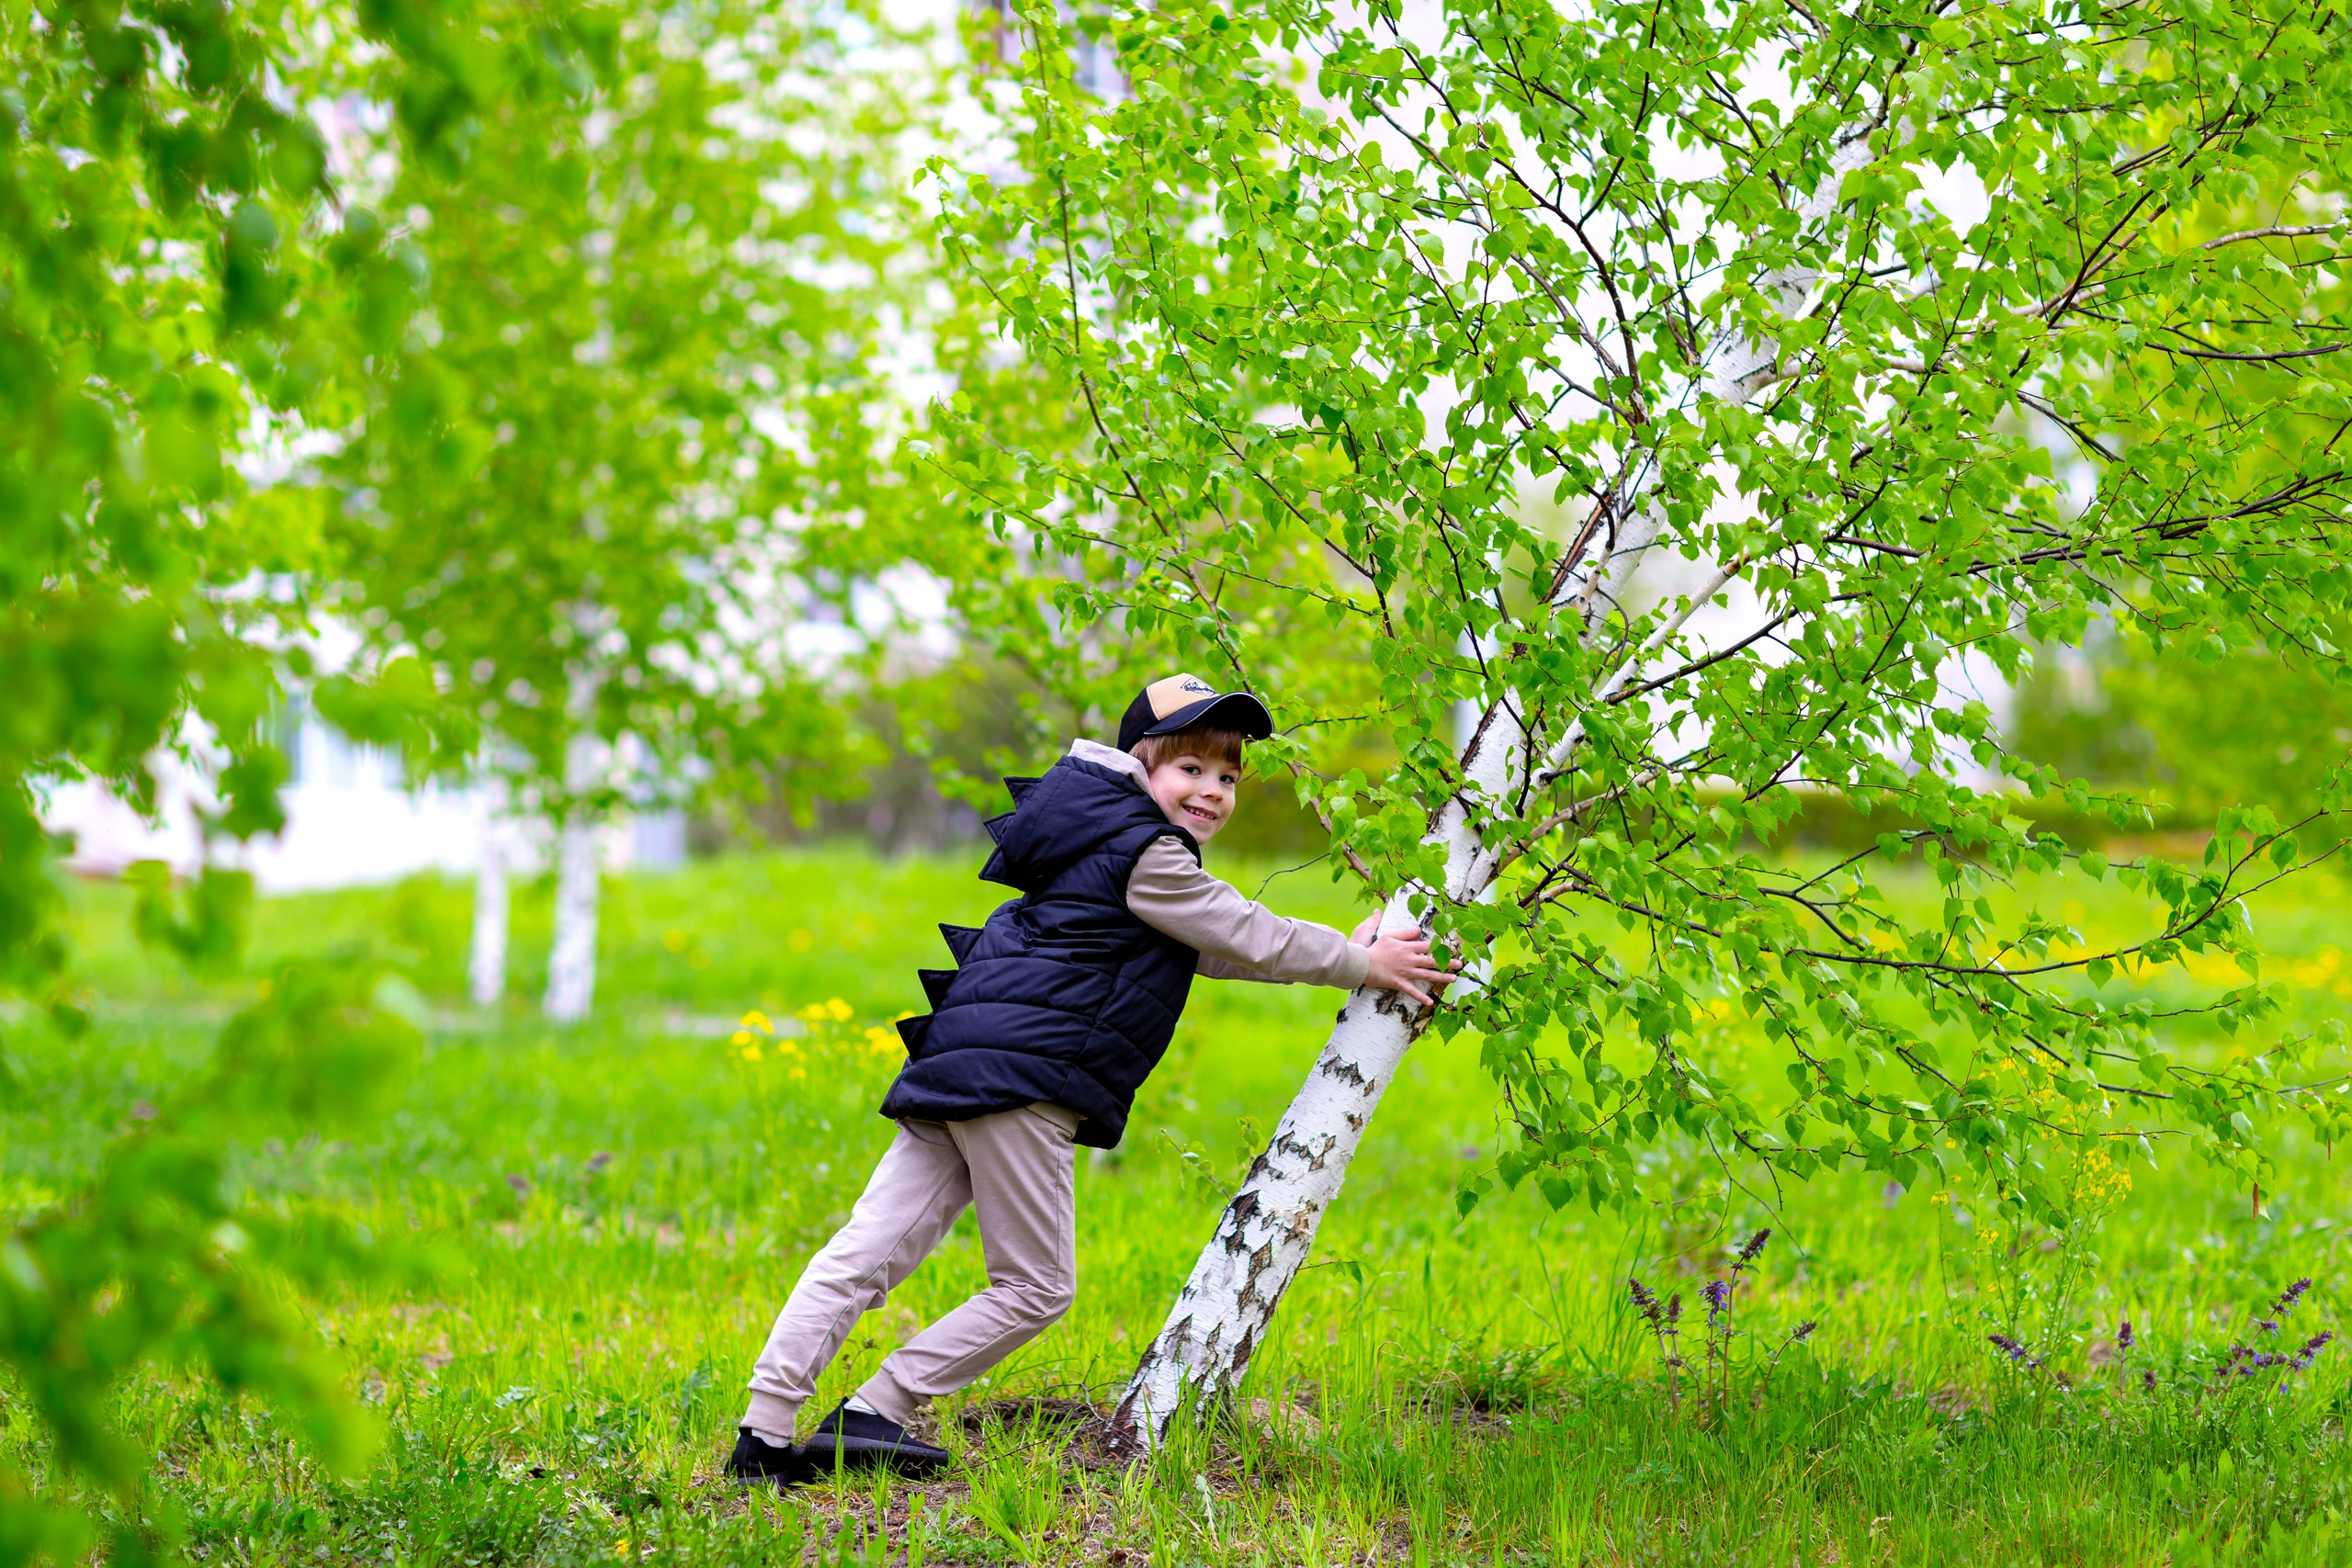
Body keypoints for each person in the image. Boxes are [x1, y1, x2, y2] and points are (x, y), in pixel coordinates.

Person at [723, 673, 1455, 1485]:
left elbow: (1210, 944)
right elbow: (1241, 928)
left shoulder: (1099, 833)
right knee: (1037, 1285)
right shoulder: (1147, 848)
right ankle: (878, 1408)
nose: (1211, 791)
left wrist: (1345, 948)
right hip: (1028, 1079)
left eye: (1228, 776)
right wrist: (1363, 960)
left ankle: (765, 1429)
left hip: (963, 1057)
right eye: (1191, 769)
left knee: (868, 1251)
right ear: (1140, 762)